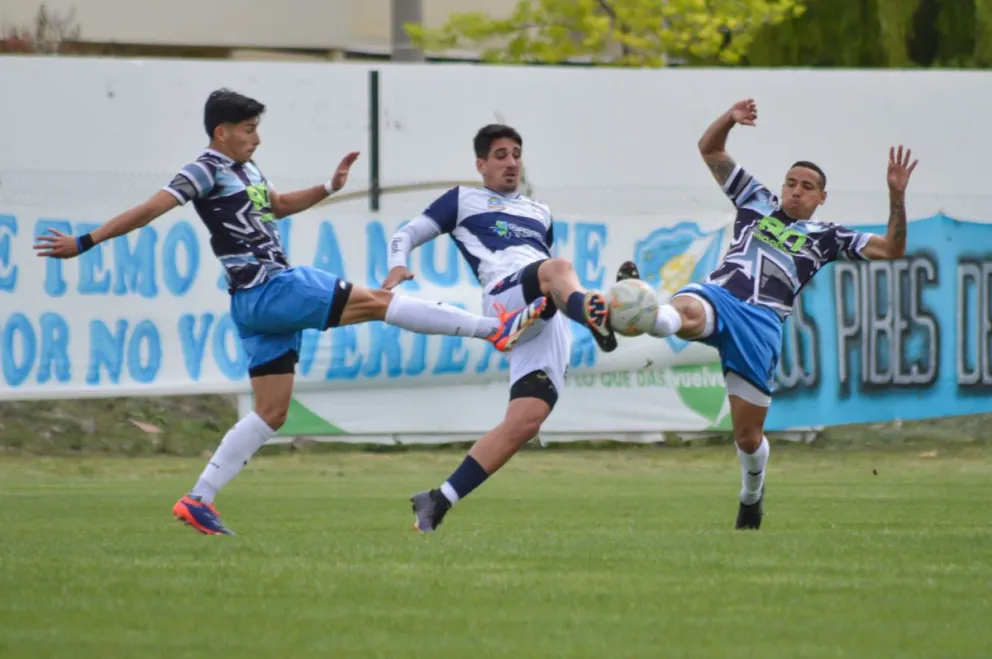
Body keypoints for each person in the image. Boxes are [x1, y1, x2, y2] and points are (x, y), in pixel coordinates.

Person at [33, 90, 549, 536]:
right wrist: (86, 241)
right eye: (249, 130)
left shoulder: (246, 169)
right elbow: (153, 207)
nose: (256, 138)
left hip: (252, 306)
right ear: (222, 131)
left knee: (271, 412)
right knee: (378, 302)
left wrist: (328, 187)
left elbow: (275, 205)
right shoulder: (203, 169)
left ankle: (199, 498)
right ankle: (494, 331)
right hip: (270, 286)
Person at [617, 98, 919, 529]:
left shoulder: (828, 236)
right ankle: (642, 312)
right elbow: (709, 150)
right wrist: (729, 120)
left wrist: (896, 196)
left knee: (747, 436)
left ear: (821, 197)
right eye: (791, 182)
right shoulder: (756, 201)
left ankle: (751, 496)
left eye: (806, 186)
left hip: (761, 324)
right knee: (686, 311)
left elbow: (893, 249)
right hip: (720, 295)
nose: (795, 190)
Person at [384, 123, 618, 532]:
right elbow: (406, 233)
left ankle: (438, 500)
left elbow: (546, 269)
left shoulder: (539, 212)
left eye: (516, 154)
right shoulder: (463, 200)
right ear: (481, 164)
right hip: (504, 294)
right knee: (559, 269)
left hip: (542, 311)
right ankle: (592, 312)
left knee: (525, 422)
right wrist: (397, 263)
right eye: (500, 155)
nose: (511, 162)